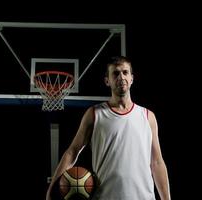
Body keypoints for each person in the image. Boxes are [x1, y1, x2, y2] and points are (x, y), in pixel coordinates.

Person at [46, 56, 171, 200]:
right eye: (115, 73)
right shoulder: (94, 114)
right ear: (107, 81)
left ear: (132, 78)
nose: (121, 77)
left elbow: (157, 162)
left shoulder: (148, 117)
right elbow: (72, 151)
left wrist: (166, 198)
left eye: (125, 72)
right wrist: (52, 188)